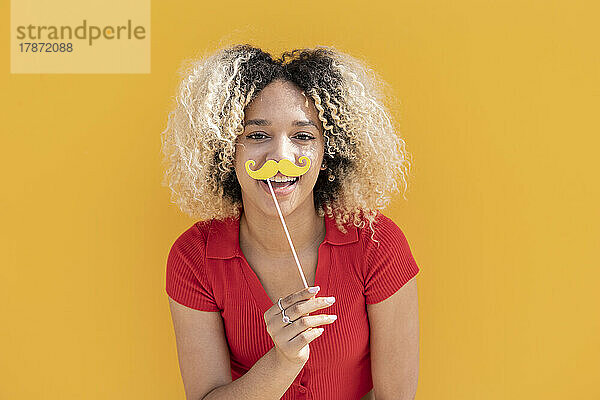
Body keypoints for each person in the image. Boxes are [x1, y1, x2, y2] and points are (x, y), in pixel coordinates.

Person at [161, 44, 421, 400]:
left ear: (329, 152)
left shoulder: (378, 243)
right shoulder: (194, 257)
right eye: (257, 135)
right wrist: (283, 361)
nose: (281, 157)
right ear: (225, 150)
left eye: (302, 136)